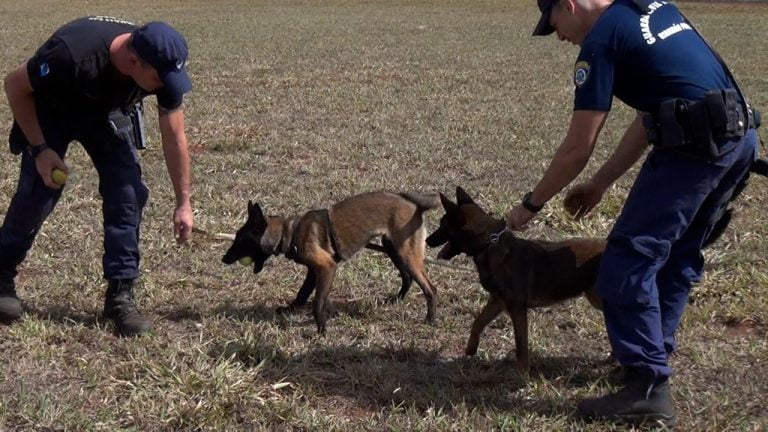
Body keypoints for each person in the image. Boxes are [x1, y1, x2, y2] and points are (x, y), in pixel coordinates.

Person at [506, 0, 759, 426]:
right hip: (737, 140)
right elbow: (655, 110)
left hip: (693, 151)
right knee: (676, 256)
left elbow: (577, 147)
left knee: (626, 259)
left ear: (568, 4)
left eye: (555, 25)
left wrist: (530, 205)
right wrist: (602, 183)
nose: (562, 38)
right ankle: (652, 355)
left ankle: (646, 386)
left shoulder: (601, 40)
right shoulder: (649, 8)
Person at [0, 16, 194, 337]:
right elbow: (15, 84)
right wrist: (40, 149)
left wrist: (183, 202)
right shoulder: (71, 53)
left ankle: (120, 295)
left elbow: (174, 136)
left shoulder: (158, 64)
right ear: (133, 62)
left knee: (128, 192)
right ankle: (2, 271)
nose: (166, 87)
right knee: (39, 193)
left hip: (107, 111)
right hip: (53, 110)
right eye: (160, 80)